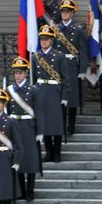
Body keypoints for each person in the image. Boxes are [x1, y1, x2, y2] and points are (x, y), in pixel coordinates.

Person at [30, 25, 69, 163]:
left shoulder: (59, 56)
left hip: (54, 93)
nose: (44, 42)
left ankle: (57, 153)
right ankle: (48, 152)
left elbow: (65, 79)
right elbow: (33, 79)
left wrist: (64, 97)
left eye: (46, 39)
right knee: (44, 124)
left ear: (52, 40)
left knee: (56, 125)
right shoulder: (35, 57)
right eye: (42, 39)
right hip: (41, 93)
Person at [6, 57, 41, 202]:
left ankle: (30, 191)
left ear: (26, 73)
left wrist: (40, 132)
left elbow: (39, 112)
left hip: (28, 128)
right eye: (15, 73)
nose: (17, 75)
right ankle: (20, 190)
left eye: (20, 73)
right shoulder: (9, 91)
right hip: (15, 127)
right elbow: (6, 111)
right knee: (17, 159)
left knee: (31, 160)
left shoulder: (33, 90)